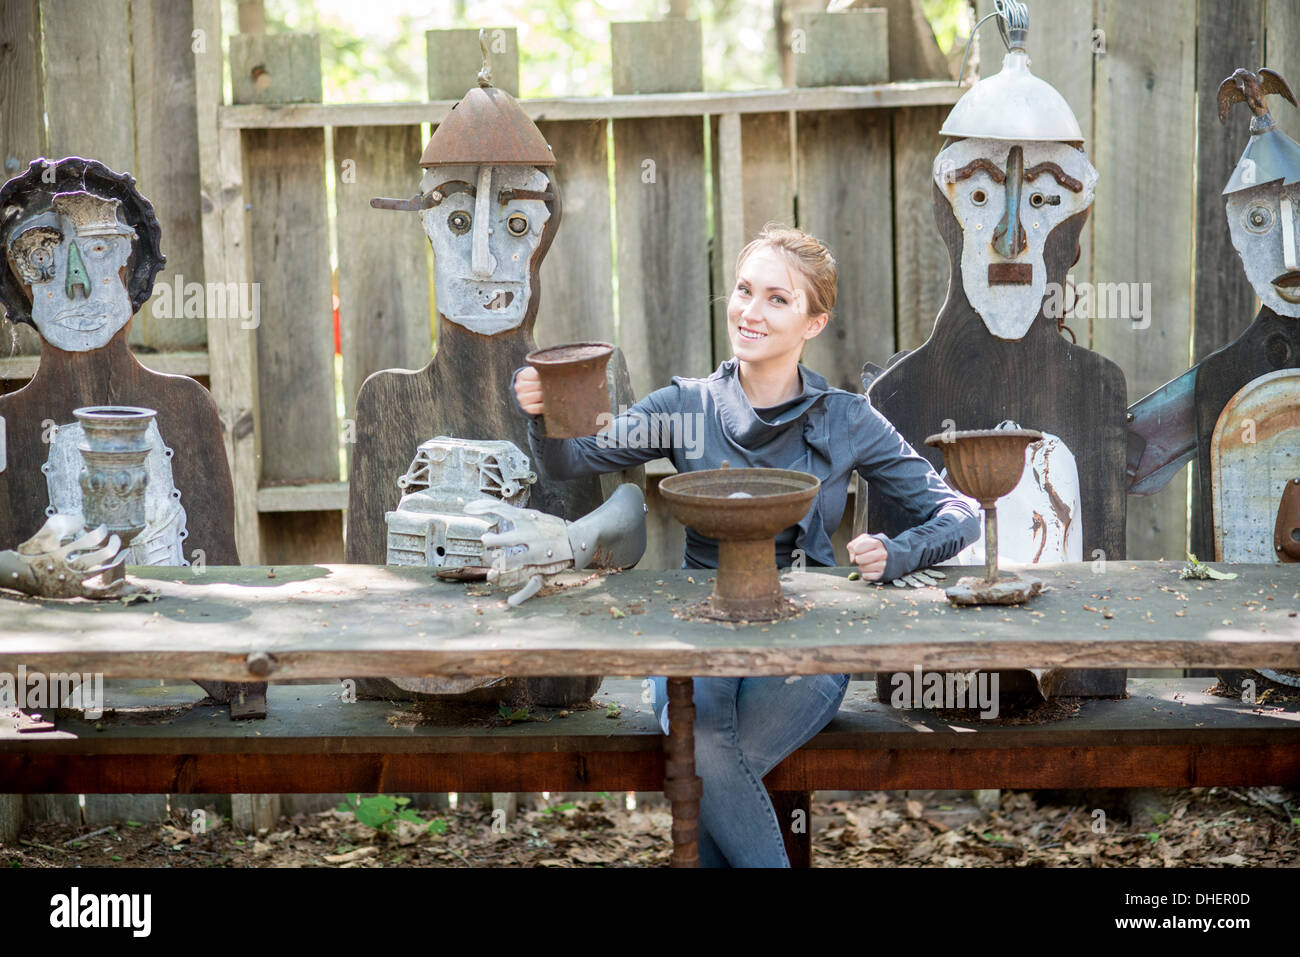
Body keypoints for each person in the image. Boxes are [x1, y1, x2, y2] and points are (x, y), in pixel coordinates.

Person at [513, 224, 980, 866]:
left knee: (702, 760)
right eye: (743, 290)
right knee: (706, 746)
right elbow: (575, 459)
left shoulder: (848, 418)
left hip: (809, 641)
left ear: (814, 322)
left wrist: (898, 553)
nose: (750, 311)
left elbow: (960, 512)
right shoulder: (684, 406)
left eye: (777, 299)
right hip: (695, 636)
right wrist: (544, 409)